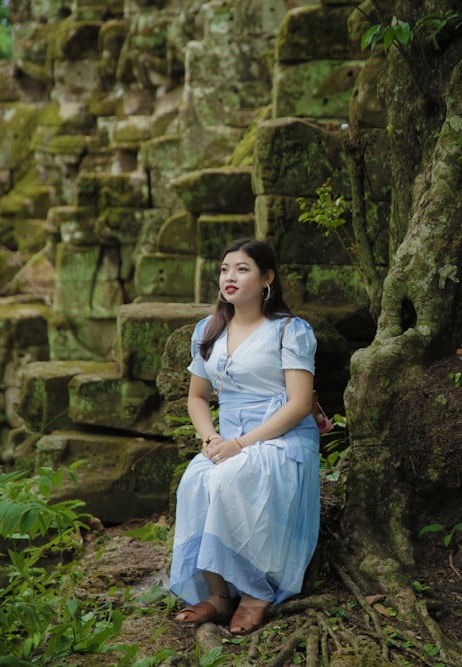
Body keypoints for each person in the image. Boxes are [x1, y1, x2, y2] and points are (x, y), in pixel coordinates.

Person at [168, 238, 320, 635]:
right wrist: (209, 438)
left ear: (267, 278)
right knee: (195, 482)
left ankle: (255, 594)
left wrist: (240, 445)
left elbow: (301, 403)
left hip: (281, 437)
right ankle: (218, 596)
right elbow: (197, 397)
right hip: (227, 439)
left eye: (242, 269)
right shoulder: (209, 329)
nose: (229, 277)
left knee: (230, 478)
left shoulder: (290, 330)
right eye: (224, 269)